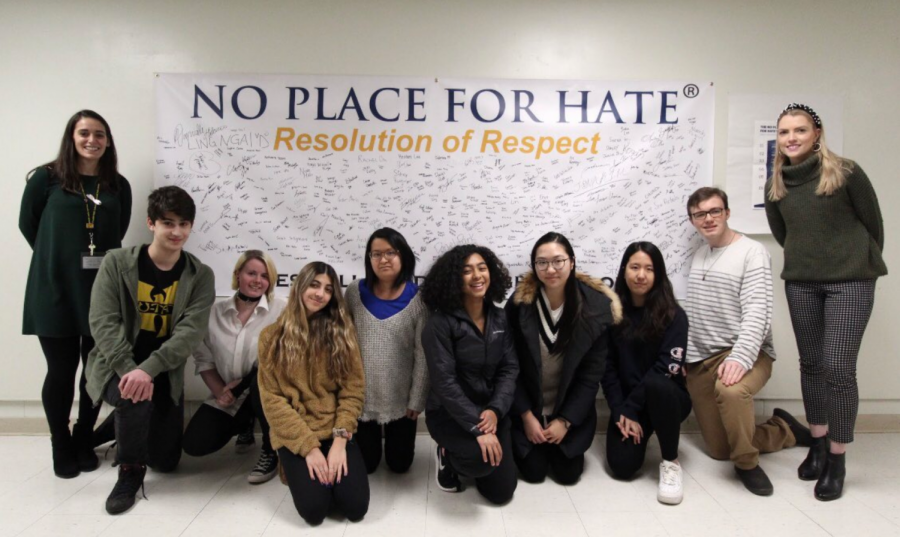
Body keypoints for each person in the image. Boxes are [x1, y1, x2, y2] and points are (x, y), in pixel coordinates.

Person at [765, 103, 887, 501]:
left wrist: (849, 260)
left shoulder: (846, 171)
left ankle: (837, 458)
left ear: (817, 133)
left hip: (850, 282)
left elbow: (874, 225)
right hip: (802, 283)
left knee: (837, 367)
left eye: (800, 130)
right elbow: (785, 234)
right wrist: (811, 259)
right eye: (784, 132)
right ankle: (817, 443)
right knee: (812, 364)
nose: (792, 138)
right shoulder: (777, 183)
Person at [85, 186, 215, 514]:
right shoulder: (117, 263)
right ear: (151, 223)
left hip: (162, 373)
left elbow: (189, 333)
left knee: (166, 462)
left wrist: (149, 369)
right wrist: (131, 370)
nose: (177, 231)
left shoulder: (200, 275)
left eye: (184, 224)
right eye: (168, 223)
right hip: (118, 368)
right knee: (134, 396)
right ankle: (129, 471)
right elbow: (103, 322)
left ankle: (119, 425)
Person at [19, 110, 132, 479]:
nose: (92, 140)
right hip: (54, 289)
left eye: (100, 134)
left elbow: (120, 229)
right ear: (71, 137)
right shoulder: (45, 179)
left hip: (101, 291)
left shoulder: (118, 185)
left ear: (108, 140)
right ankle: (60, 442)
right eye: (84, 133)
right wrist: (60, 258)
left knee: (95, 371)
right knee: (61, 370)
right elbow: (29, 224)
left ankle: (84, 436)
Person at [683, 186, 811, 496]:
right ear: (692, 220)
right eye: (700, 214)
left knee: (731, 390)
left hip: (746, 351)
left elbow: (758, 312)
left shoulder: (751, 252)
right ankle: (784, 430)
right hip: (702, 358)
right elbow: (695, 314)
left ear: (727, 212)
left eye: (715, 211)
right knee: (718, 450)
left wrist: (739, 358)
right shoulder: (700, 254)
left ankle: (747, 465)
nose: (708, 219)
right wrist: (685, 358)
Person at [257, 262, 369, 526]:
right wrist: (309, 449)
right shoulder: (271, 337)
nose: (320, 294)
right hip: (296, 434)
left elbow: (353, 391)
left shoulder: (342, 332)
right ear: (299, 287)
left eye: (328, 289)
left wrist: (340, 441)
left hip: (335, 431)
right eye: (314, 285)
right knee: (314, 511)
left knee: (355, 509)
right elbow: (273, 401)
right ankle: (291, 466)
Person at [505, 232, 618, 486]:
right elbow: (509, 367)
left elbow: (591, 375)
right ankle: (533, 432)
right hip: (528, 409)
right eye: (542, 262)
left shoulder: (596, 308)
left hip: (568, 411)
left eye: (558, 261)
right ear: (534, 266)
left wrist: (565, 421)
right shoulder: (519, 305)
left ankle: (558, 430)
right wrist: (526, 416)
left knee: (568, 475)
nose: (551, 269)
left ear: (572, 261)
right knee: (533, 474)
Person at [420, 245, 519, 505]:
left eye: (482, 268)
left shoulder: (500, 318)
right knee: (477, 462)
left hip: (491, 413)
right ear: (454, 279)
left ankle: (479, 457)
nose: (477, 275)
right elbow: (445, 383)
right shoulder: (439, 324)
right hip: (449, 414)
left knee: (501, 493)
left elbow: (510, 369)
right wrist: (478, 427)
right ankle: (446, 455)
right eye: (467, 271)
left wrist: (495, 410)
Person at [182, 250, 286, 484]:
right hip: (230, 392)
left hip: (265, 392)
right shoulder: (213, 313)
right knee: (194, 444)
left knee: (261, 381)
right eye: (251, 273)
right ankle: (244, 426)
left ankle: (270, 450)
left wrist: (243, 386)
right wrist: (221, 392)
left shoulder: (281, 310)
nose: (258, 280)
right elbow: (204, 360)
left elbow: (281, 360)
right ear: (238, 274)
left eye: (264, 276)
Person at [602, 242, 691, 505]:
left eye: (649, 269)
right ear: (624, 271)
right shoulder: (610, 314)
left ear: (658, 274)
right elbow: (606, 369)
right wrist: (621, 411)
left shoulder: (675, 315)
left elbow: (667, 368)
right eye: (635, 267)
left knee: (658, 385)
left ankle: (671, 461)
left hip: (668, 400)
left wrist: (630, 407)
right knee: (622, 467)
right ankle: (640, 429)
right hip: (629, 405)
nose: (641, 275)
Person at [345, 228, 428, 474]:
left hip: (401, 401)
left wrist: (417, 398)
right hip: (361, 399)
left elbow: (422, 354)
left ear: (403, 256)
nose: (383, 259)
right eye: (376, 254)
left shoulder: (419, 298)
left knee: (399, 465)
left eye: (390, 252)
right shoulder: (353, 292)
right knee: (367, 466)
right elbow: (343, 344)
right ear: (369, 259)